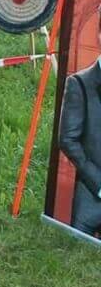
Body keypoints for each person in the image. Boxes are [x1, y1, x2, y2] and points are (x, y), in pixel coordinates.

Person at [58, 16, 101, 236]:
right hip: (93, 197)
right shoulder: (79, 83)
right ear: (99, 36)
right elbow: (67, 139)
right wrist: (98, 183)